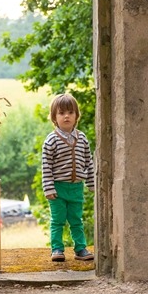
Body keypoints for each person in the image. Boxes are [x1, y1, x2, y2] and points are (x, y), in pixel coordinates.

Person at [42, 92, 95, 262]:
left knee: (76, 220)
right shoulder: (51, 140)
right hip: (57, 188)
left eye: (70, 112)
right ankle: (57, 249)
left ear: (76, 116)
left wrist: (91, 183)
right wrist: (48, 188)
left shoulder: (82, 138)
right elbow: (46, 166)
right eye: (61, 113)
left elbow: (89, 162)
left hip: (76, 188)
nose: (66, 116)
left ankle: (80, 248)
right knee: (57, 220)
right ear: (54, 117)